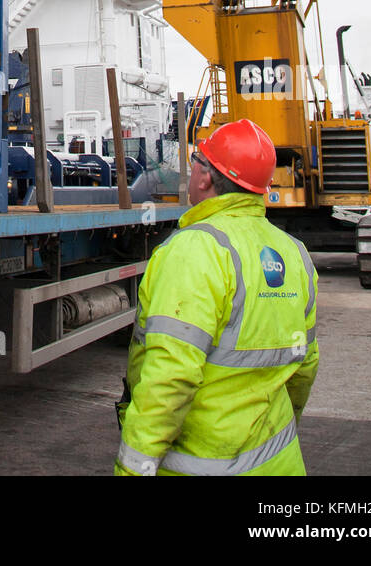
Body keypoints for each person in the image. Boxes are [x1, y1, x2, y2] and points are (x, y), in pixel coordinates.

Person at [115, 118, 318, 476]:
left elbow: (170, 379)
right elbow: (305, 367)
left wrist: (133, 468)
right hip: (281, 462)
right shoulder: (295, 252)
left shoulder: (195, 249)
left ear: (205, 177)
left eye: (195, 162)